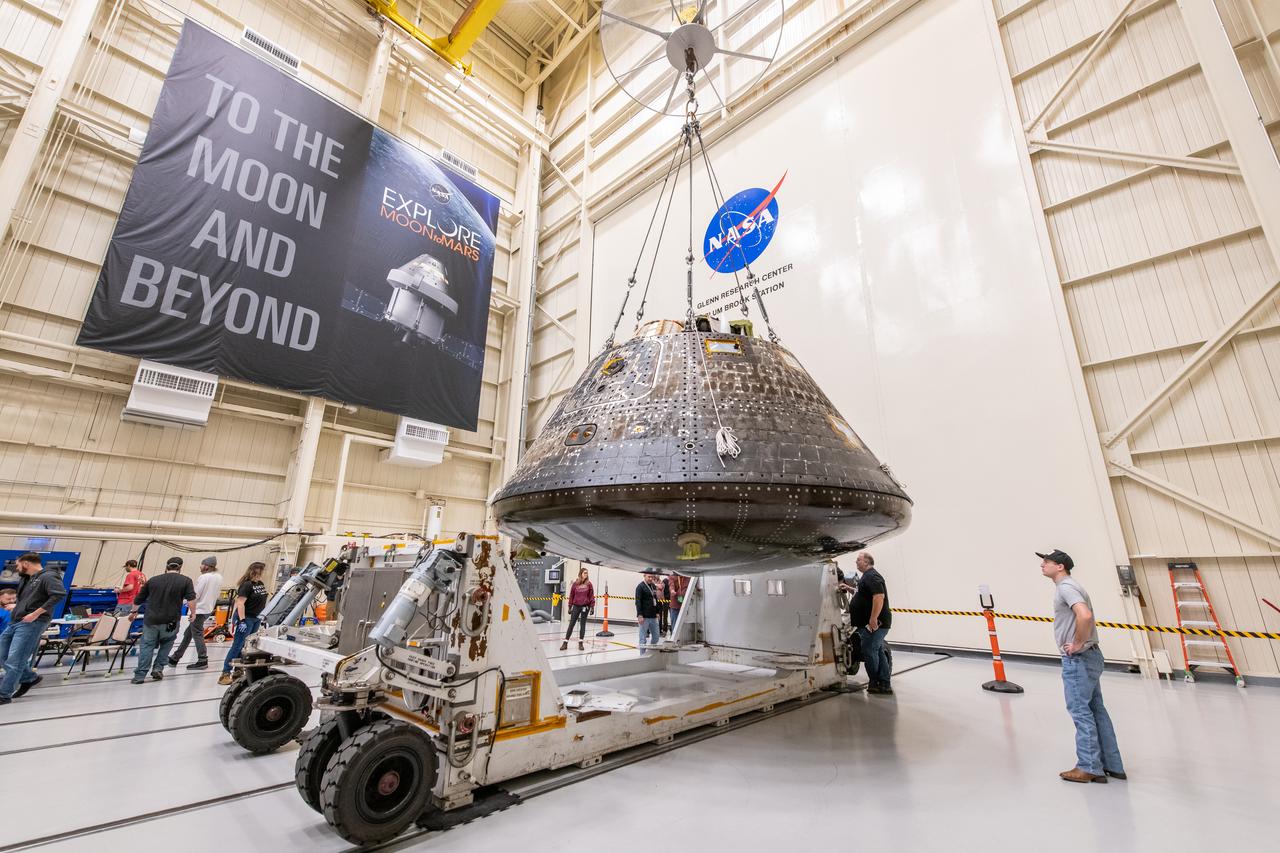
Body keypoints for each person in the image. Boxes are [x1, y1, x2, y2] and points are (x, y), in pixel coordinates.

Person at [1038, 549, 1126, 784]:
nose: (1042, 564)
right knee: (1097, 710)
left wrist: (1077, 643)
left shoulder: (1066, 587)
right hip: (1092, 656)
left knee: (1080, 711)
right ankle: (1112, 764)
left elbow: (1084, 616)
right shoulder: (1072, 586)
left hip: (1079, 659)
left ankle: (1088, 766)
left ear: (1060, 567)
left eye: (1047, 561)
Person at [0, 553, 67, 704]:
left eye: (18, 565)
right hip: (15, 621)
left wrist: (35, 614)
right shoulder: (26, 579)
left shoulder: (49, 576)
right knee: (2, 655)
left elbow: (58, 595)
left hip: (32, 623)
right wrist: (16, 607)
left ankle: (4, 694)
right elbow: (28, 600)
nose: (17, 568)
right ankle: (29, 678)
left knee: (15, 659)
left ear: (26, 564)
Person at [130, 557, 195, 684]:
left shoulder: (153, 580)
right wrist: (193, 613)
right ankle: (158, 669)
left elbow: (138, 599)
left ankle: (140, 675)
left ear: (166, 567)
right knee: (167, 644)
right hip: (171, 621)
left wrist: (133, 612)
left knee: (147, 646)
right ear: (180, 568)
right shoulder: (186, 581)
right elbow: (191, 599)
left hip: (151, 620)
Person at [848, 551, 893, 694]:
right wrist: (849, 589)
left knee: (869, 651)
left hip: (875, 624)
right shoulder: (867, 577)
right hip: (871, 624)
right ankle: (884, 683)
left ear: (866, 562)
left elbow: (879, 597)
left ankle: (875, 681)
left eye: (858, 560)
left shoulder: (872, 576)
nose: (856, 562)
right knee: (877, 651)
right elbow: (865, 594)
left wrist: (873, 619)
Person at [168, 555, 223, 670]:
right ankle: (175, 658)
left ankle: (202, 659)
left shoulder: (204, 577)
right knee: (188, 634)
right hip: (208, 609)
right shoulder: (218, 577)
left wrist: (184, 602)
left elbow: (195, 595)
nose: (200, 566)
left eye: (202, 564)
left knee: (197, 634)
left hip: (198, 610)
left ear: (206, 566)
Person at [218, 562, 268, 685]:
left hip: (256, 618)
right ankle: (225, 673)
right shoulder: (246, 585)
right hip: (246, 619)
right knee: (237, 645)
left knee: (247, 646)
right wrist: (242, 620)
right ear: (257, 571)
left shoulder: (260, 584)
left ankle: (238, 670)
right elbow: (240, 603)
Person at [559, 567, 595, 651]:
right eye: (584, 573)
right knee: (571, 624)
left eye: (587, 573)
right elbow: (571, 595)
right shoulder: (575, 584)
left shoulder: (589, 584)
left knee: (583, 625)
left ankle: (580, 643)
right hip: (576, 606)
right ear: (581, 573)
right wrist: (569, 606)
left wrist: (592, 607)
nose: (586, 574)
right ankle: (565, 643)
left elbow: (591, 596)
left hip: (585, 607)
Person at [634, 572, 661, 655]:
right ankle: (642, 655)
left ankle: (650, 653)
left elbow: (655, 599)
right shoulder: (640, 587)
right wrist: (640, 615)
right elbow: (638, 601)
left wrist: (657, 612)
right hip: (644, 617)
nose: (650, 579)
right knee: (643, 639)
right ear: (644, 576)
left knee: (656, 637)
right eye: (649, 577)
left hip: (653, 616)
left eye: (652, 577)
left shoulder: (653, 586)